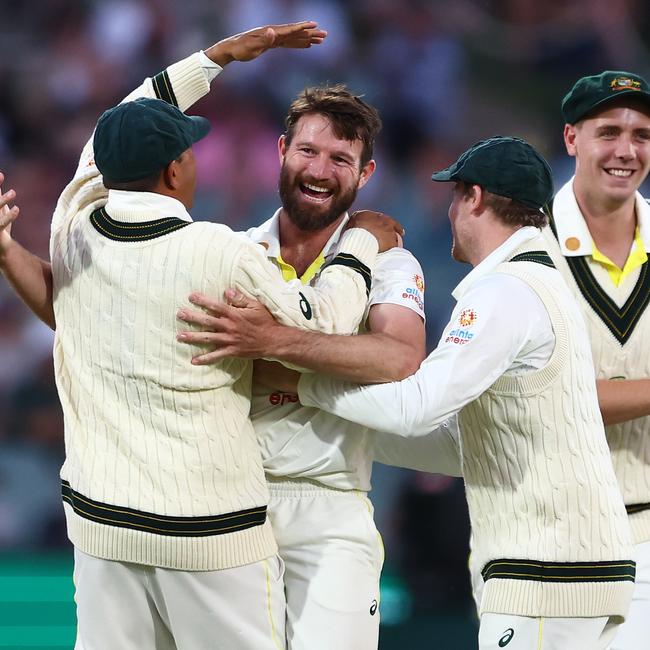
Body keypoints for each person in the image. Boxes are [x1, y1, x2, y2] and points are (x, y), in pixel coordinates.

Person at [0, 22, 404, 650]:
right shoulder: (219, 251)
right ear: (174, 170)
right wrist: (362, 242)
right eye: (187, 152)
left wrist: (212, 59)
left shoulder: (72, 226)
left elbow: (115, 127)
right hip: (209, 531)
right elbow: (322, 318)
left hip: (102, 527)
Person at [181, 136, 636, 650]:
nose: (448, 213)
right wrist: (347, 429)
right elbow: (458, 446)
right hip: (583, 569)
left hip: (545, 569)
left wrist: (302, 383)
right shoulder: (541, 284)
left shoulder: (505, 292)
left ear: (476, 198)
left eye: (454, 197)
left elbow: (417, 408)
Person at [176, 84, 428, 650]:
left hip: (330, 505)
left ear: (365, 175)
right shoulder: (233, 250)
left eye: (341, 159)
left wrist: (271, 345)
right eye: (309, 152)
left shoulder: (390, 260)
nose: (321, 169)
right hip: (229, 501)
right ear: (282, 150)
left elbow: (400, 358)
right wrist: (331, 364)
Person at [538, 70, 650, 650]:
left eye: (642, 134)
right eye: (609, 131)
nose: (627, 151)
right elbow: (555, 397)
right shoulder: (529, 248)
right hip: (549, 542)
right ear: (571, 138)